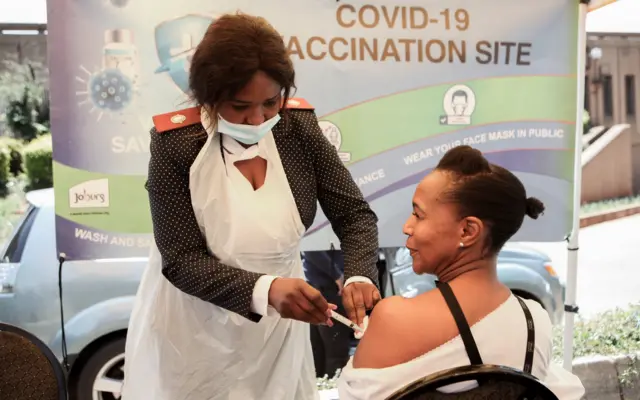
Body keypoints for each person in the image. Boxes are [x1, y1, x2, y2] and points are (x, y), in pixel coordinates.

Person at [122, 13, 381, 400]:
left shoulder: (298, 128)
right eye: (240, 105)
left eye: (271, 102)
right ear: (209, 94)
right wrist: (266, 289)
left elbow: (354, 215)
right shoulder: (175, 144)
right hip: (194, 325)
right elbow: (179, 258)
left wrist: (360, 275)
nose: (259, 118)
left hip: (279, 324)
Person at [337, 146, 585, 399]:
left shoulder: (392, 318)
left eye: (418, 215)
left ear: (467, 231)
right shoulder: (534, 322)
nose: (407, 226)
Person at [303, 250, 354, 378]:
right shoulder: (320, 235)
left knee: (318, 352)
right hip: (329, 287)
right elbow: (312, 249)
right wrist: (337, 275)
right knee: (335, 353)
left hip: (316, 285)